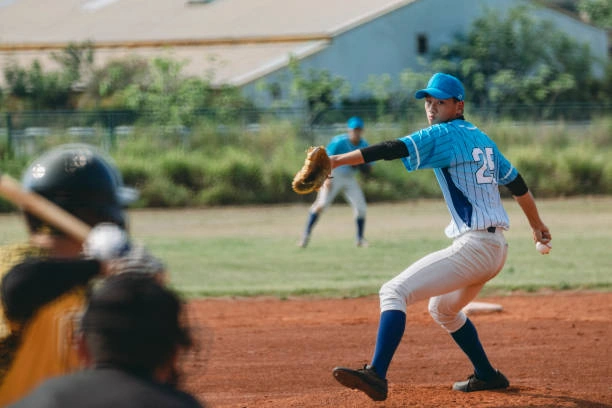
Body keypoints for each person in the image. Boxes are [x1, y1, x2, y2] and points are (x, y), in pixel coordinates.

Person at [330, 73, 552, 401]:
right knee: (443, 310)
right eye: (428, 102)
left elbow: (394, 148)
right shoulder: (481, 137)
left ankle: (376, 374)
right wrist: (536, 225)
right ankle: (488, 375)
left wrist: (336, 160)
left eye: (440, 102)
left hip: (476, 247)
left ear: (458, 105)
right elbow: (517, 184)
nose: (432, 108)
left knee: (393, 292)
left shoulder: (444, 134)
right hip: (495, 250)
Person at [0, 144, 163, 405]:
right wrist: (98, 265)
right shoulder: (12, 264)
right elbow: (19, 287)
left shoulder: (71, 280)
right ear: (97, 214)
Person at [8, 272, 205, 408]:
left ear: (81, 347)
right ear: (173, 354)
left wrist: (96, 264)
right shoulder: (179, 404)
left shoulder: (44, 398)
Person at [299, 116, 372, 248]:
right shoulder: (339, 141)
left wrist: (364, 167)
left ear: (362, 131)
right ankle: (306, 235)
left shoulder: (364, 144)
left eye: (358, 129)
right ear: (349, 130)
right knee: (321, 205)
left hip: (350, 178)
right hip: (334, 175)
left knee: (361, 208)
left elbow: (369, 168)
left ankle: (360, 239)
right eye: (354, 129)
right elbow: (326, 160)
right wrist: (325, 178)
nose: (356, 132)